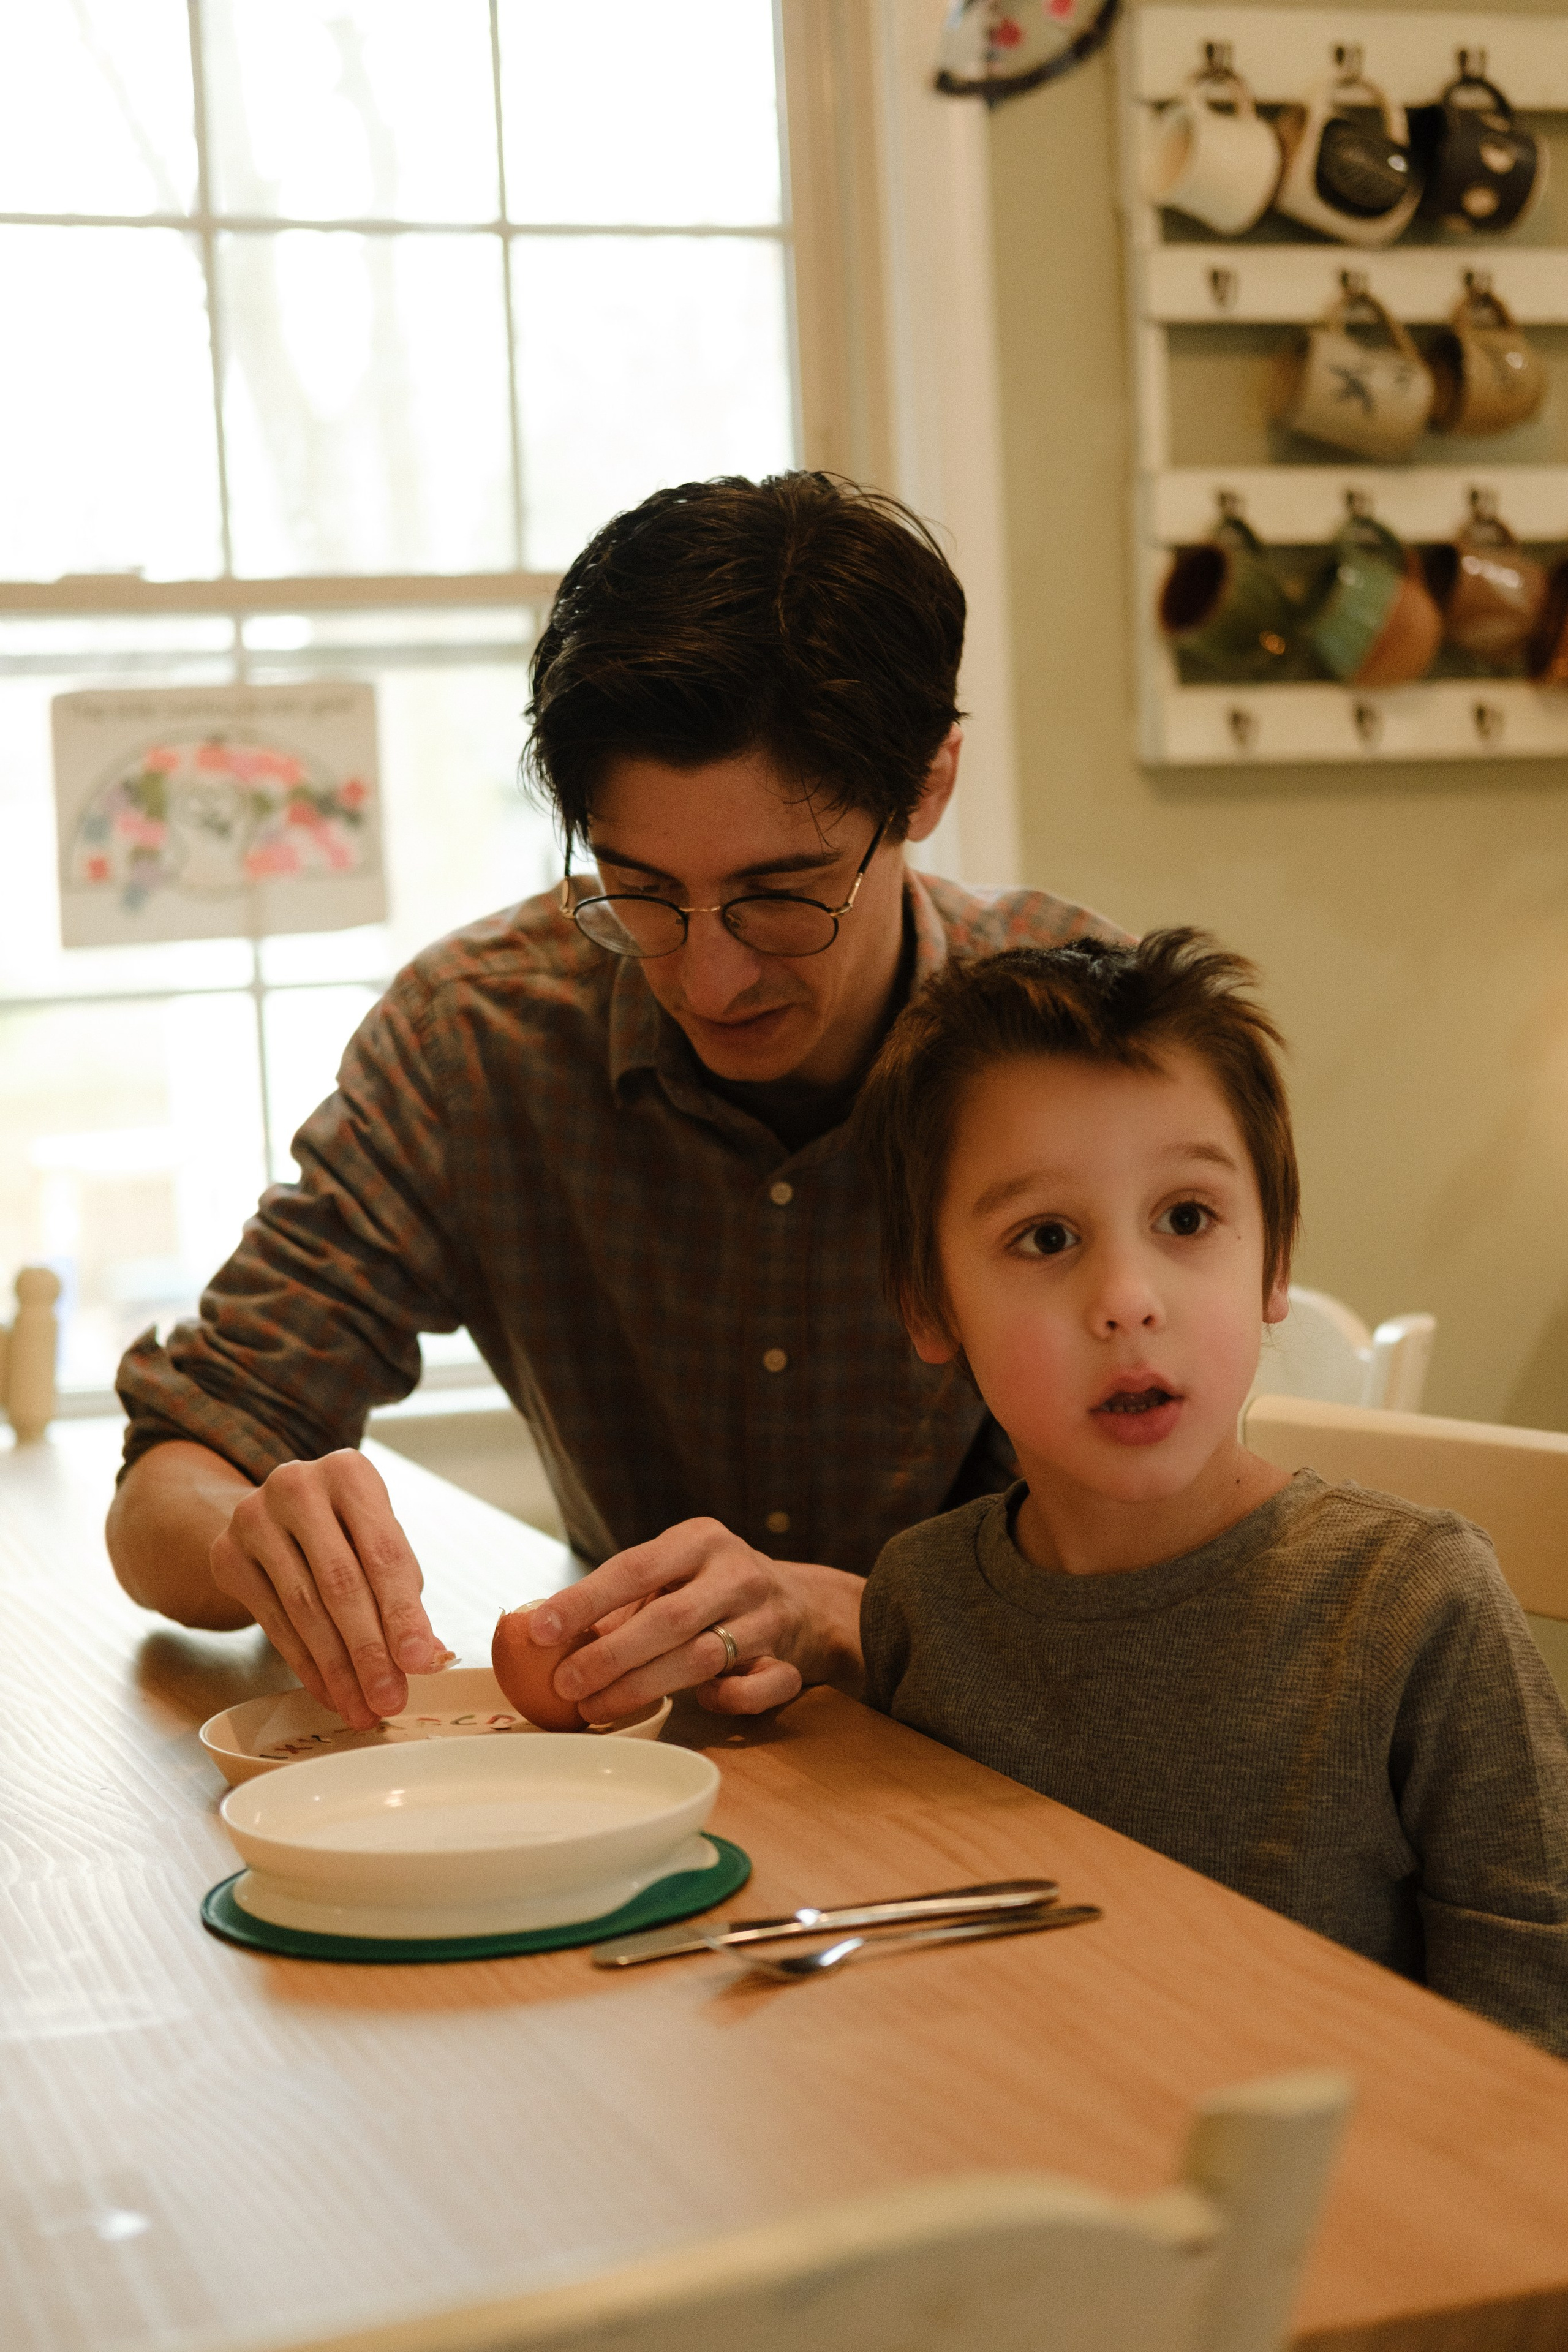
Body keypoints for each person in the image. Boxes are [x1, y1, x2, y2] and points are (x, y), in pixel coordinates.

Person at [107, 472, 1122, 1733]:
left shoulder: (1090, 1045)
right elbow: (169, 1480)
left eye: (779, 894)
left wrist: (841, 1617)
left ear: (926, 784)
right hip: (652, 1776)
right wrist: (251, 1540)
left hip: (1026, 1767)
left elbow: (1174, 1579)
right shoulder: (477, 1040)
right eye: (638, 890)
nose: (707, 976)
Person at [846, 928, 1568, 2054]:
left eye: (1186, 1219)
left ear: (1273, 1259)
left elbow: (1533, 2018)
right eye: (1046, 1237)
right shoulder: (921, 1601)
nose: (1128, 1298)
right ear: (928, 1302)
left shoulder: (1416, 1606)